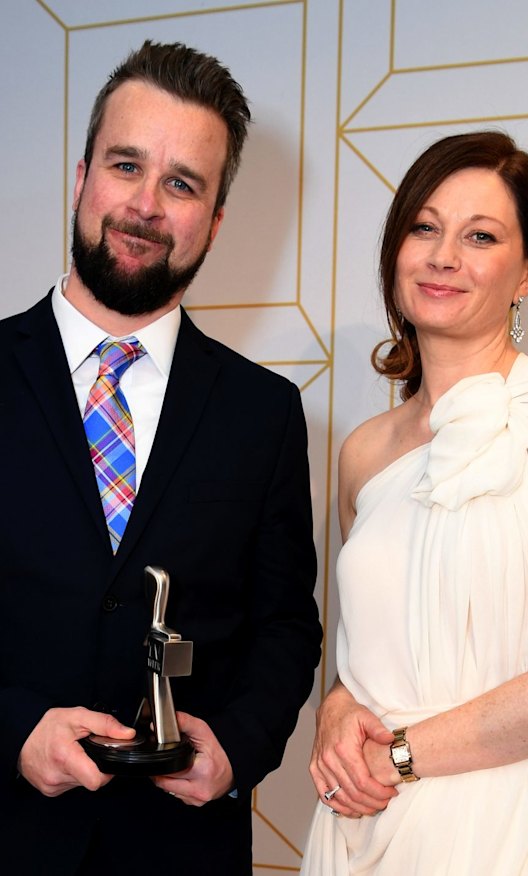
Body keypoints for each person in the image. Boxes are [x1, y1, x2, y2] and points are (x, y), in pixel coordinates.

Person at [0, 40, 321, 875]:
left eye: (182, 184)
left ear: (215, 220)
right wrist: (14, 729)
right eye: (126, 166)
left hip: (182, 850)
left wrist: (238, 747)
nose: (145, 205)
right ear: (82, 177)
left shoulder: (265, 414)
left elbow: (286, 625)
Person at [301, 130, 528, 874]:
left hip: (517, 823)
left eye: (480, 236)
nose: (444, 256)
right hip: (363, 823)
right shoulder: (363, 452)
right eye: (425, 228)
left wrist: (399, 755)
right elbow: (371, 651)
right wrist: (337, 706)